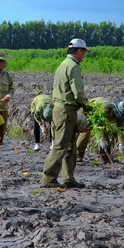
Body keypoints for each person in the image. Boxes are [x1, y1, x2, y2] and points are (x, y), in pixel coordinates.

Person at [41, 38, 90, 188]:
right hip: (66, 111)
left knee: (70, 147)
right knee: (61, 146)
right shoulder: (73, 66)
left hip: (60, 110)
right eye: (84, 52)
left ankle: (69, 178)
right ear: (79, 51)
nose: (84, 56)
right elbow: (78, 91)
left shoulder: (63, 65)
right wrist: (86, 105)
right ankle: (48, 178)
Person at [76, 97, 124, 163]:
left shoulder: (122, 115)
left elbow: (120, 130)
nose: (118, 117)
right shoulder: (105, 108)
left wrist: (121, 144)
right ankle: (78, 155)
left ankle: (105, 158)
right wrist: (102, 140)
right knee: (86, 130)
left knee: (106, 132)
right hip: (89, 112)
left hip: (101, 118)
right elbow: (98, 125)